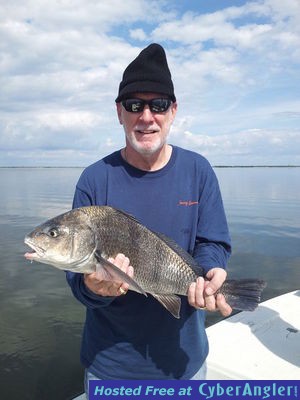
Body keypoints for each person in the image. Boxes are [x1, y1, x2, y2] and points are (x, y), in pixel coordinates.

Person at [66, 43, 232, 394]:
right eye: (134, 105)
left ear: (172, 111)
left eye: (157, 105)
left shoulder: (198, 171)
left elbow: (212, 242)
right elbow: (77, 280)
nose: (146, 116)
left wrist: (209, 272)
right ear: (119, 112)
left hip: (184, 362)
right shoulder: (94, 179)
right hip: (110, 368)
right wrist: (95, 288)